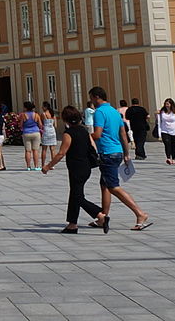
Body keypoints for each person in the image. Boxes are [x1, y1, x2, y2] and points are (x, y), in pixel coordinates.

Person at [89, 87, 153, 230]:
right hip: (117, 151)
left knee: (113, 187)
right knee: (104, 185)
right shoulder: (114, 111)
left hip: (106, 152)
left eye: (92, 98)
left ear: (97, 97)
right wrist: (126, 153)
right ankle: (103, 218)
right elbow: (123, 133)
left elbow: (97, 134)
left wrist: (85, 137)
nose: (91, 101)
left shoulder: (99, 112)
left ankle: (140, 213)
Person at [42, 105, 107, 233]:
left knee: (77, 196)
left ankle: (101, 215)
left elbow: (61, 153)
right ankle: (72, 224)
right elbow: (93, 147)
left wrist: (48, 166)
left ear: (66, 120)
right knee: (75, 194)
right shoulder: (84, 131)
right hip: (86, 167)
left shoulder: (68, 134)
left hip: (77, 168)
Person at [155, 99, 175, 164]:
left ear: (171, 104)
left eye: (168, 104)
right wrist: (156, 114)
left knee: (173, 145)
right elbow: (158, 120)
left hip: (174, 131)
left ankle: (173, 159)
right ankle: (168, 158)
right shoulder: (162, 111)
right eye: (166, 104)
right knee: (167, 144)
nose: (166, 105)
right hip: (164, 130)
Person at [18, 102, 43, 169]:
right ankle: (36, 166)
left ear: (25, 108)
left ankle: (28, 166)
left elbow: (20, 125)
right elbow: (40, 124)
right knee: (35, 150)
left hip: (26, 133)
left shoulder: (23, 115)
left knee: (28, 150)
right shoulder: (36, 115)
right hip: (35, 132)